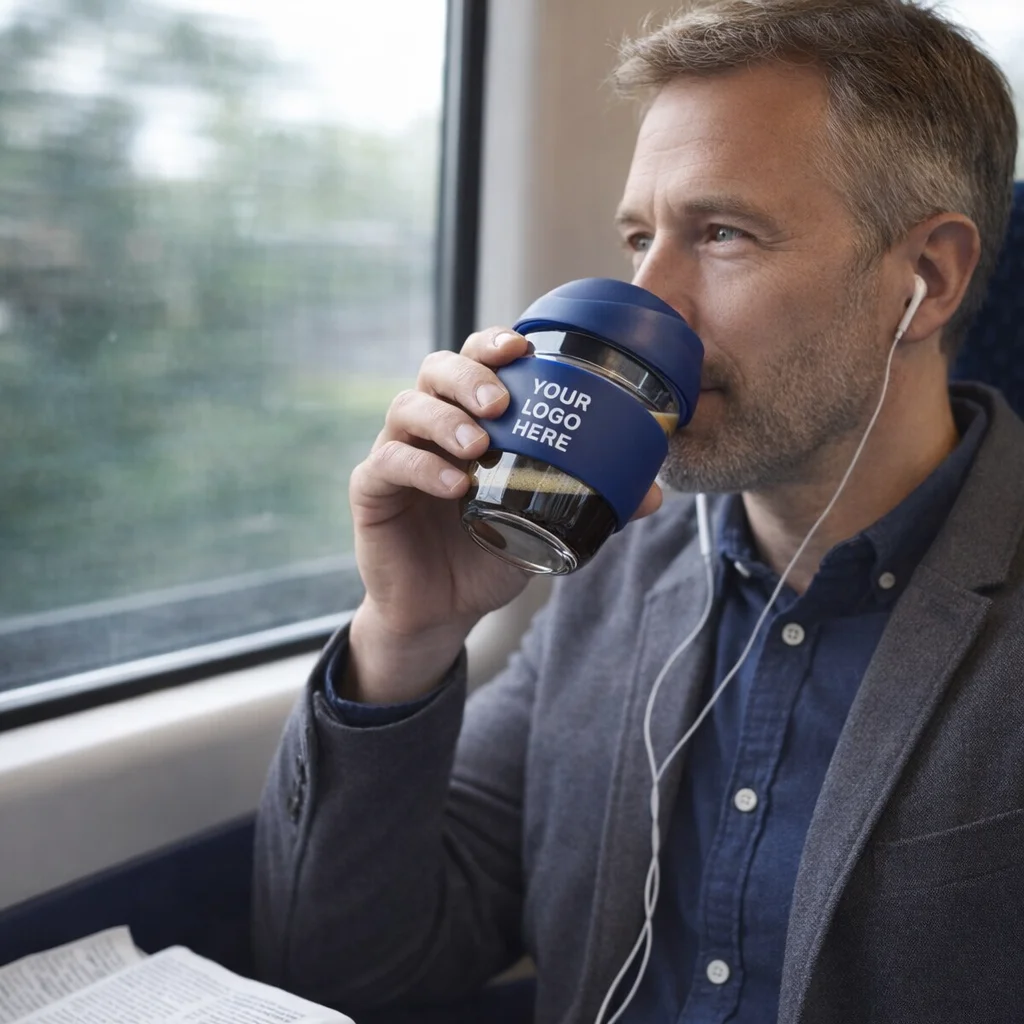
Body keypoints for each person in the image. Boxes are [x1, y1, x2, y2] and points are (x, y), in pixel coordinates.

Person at [252, 1, 1023, 1022]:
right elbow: (348, 972)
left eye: (721, 233)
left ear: (925, 280)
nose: (650, 301)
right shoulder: (614, 566)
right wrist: (409, 630)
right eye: (637, 238)